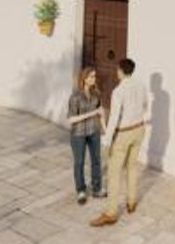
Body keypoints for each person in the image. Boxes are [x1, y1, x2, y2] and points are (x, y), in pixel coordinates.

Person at [91, 58, 148, 227]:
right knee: (132, 167)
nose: (117, 72)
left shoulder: (118, 91)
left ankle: (111, 213)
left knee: (113, 173)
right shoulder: (141, 85)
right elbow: (145, 105)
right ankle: (131, 202)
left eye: (117, 69)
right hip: (139, 129)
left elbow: (114, 117)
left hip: (123, 133)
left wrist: (107, 141)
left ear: (121, 70)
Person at [67, 67, 106, 204]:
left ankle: (97, 189)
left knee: (96, 160)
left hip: (94, 131)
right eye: (91, 76)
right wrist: (92, 113)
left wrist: (105, 130)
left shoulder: (97, 94)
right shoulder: (75, 97)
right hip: (78, 134)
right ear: (84, 79)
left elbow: (101, 112)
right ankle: (81, 190)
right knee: (79, 162)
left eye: (94, 76)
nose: (94, 79)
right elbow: (71, 119)